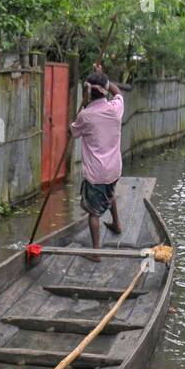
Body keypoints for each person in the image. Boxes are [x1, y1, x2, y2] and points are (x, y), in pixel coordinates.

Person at [69, 69, 125, 261]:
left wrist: (83, 102)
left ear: (89, 92)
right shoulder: (115, 108)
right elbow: (117, 93)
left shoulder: (85, 115)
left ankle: (96, 253)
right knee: (109, 193)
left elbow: (73, 132)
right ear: (104, 90)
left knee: (93, 212)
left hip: (96, 173)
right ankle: (117, 224)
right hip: (114, 168)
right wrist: (106, 81)